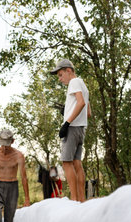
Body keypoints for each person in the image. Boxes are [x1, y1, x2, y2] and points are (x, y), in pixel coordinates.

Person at [50, 59, 91, 202]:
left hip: (72, 128)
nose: (60, 79)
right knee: (76, 163)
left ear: (69, 70)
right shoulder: (83, 86)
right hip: (81, 129)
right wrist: (66, 112)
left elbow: (80, 103)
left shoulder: (74, 82)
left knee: (66, 163)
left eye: (61, 75)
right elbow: (88, 112)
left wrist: (66, 123)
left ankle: (74, 200)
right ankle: (81, 200)